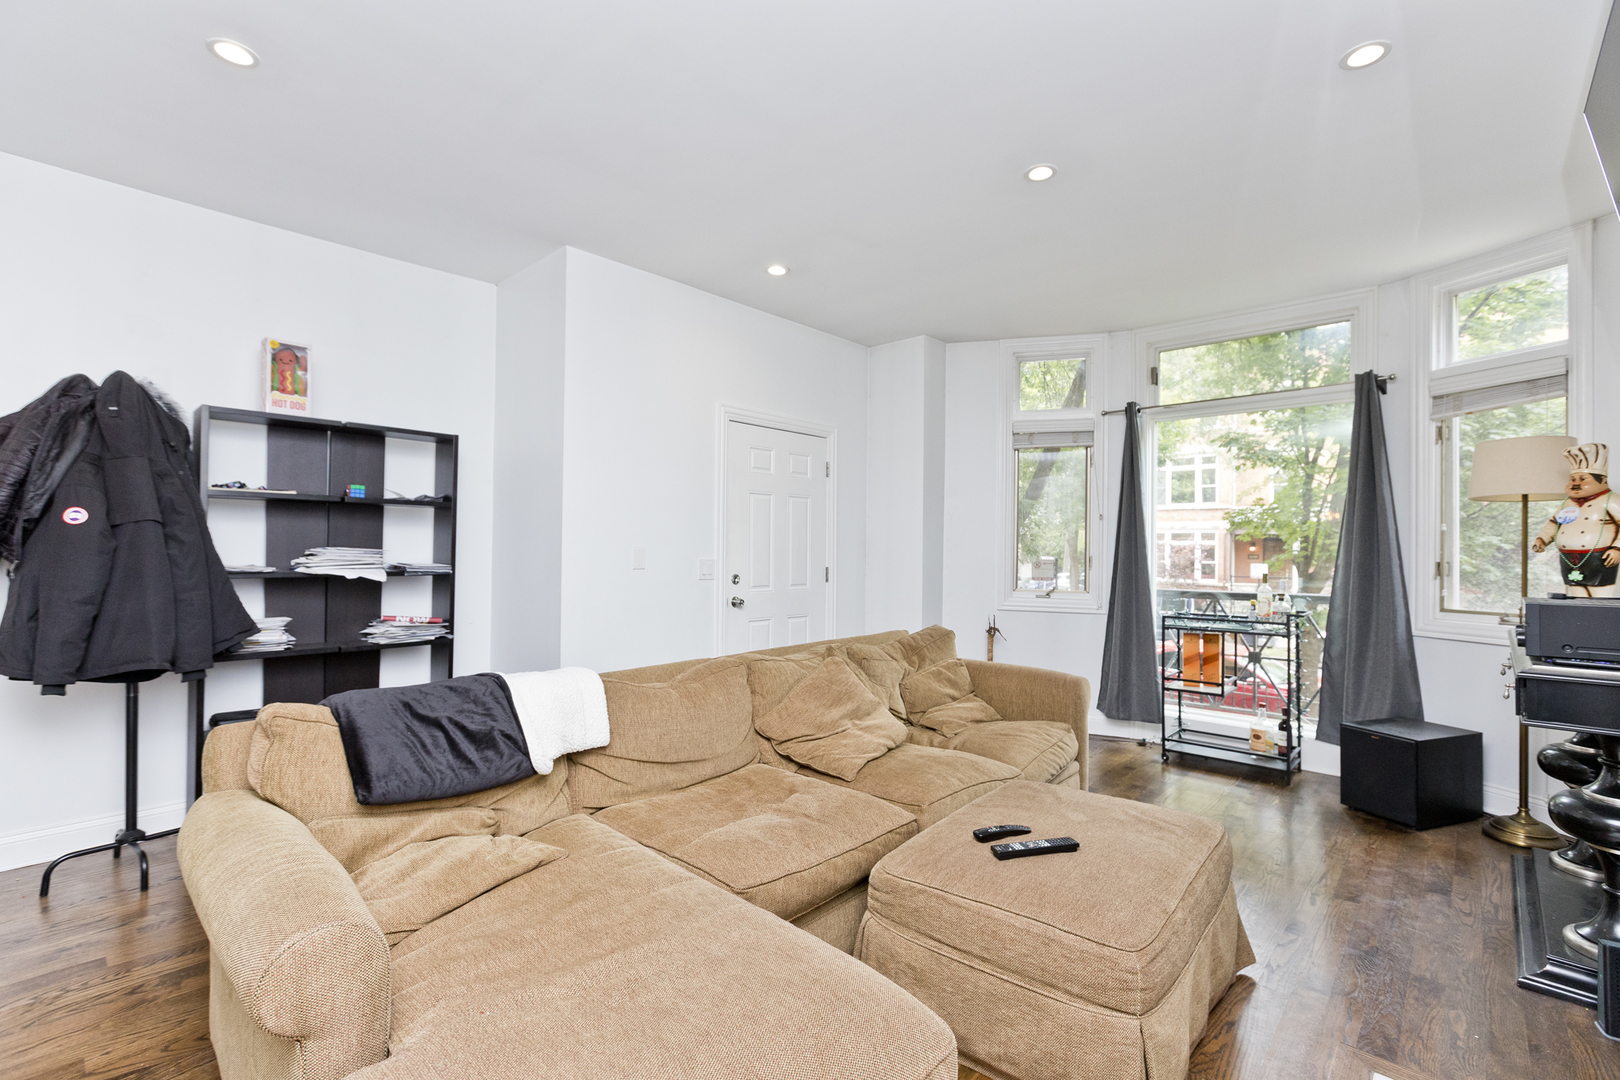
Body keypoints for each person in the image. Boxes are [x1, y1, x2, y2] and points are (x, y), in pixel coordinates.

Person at [1531, 443, 1620, 598]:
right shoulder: (1567, 502)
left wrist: (1617, 548)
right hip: (1568, 557)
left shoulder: (1611, 500)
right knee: (1574, 595)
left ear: (1602, 479)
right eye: (1572, 479)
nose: (1576, 483)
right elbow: (1554, 523)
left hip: (1600, 558)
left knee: (1601, 596)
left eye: (1583, 478)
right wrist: (1542, 539)